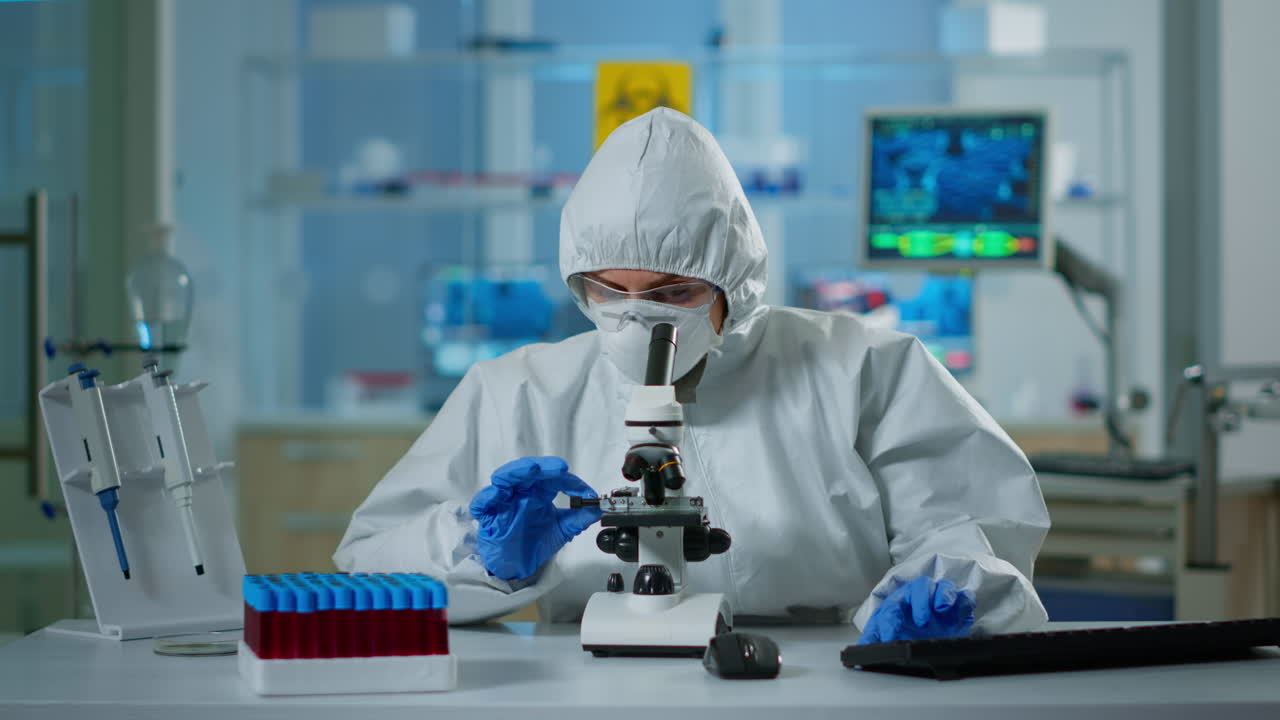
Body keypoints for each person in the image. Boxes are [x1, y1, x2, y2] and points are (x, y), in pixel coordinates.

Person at [334, 107, 1050, 643]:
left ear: (731, 284)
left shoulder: (864, 368)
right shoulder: (516, 390)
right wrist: (477, 553)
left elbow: (970, 529)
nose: (638, 319)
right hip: (581, 685)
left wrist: (942, 596)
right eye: (609, 291)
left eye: (673, 291)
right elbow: (369, 559)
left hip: (825, 676)